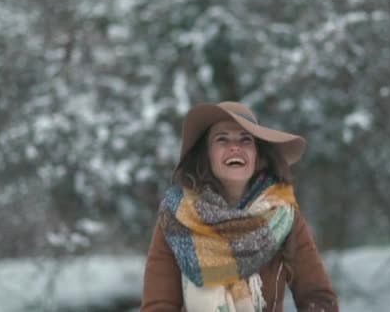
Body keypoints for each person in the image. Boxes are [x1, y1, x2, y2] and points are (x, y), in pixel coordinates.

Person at [141, 101, 339, 312]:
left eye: (246, 140)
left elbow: (316, 296)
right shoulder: (176, 217)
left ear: (258, 155)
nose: (234, 146)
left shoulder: (283, 214)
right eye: (222, 139)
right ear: (206, 155)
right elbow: (158, 305)